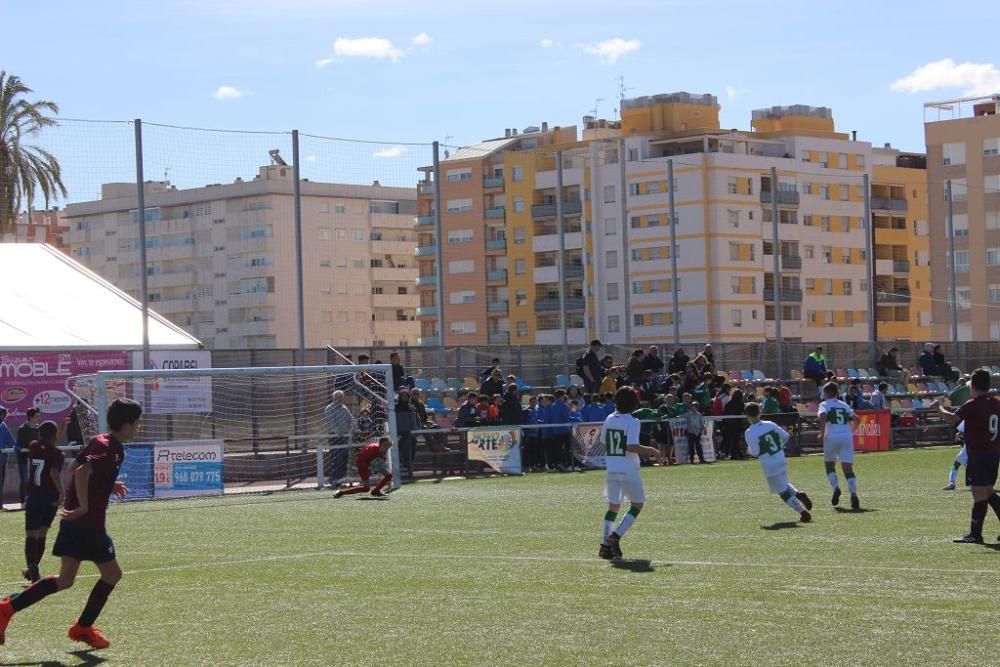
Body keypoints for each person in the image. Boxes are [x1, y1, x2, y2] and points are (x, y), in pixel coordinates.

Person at [0, 398, 141, 650]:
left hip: (75, 523)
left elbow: (76, 464)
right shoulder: (113, 448)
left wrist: (109, 485)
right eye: (137, 423)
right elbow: (82, 471)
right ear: (128, 425)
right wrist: (85, 506)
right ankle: (83, 628)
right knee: (112, 574)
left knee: (65, 580)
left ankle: (6, 609)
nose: (139, 428)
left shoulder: (100, 440)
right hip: (88, 524)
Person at [934, 368, 1000, 543]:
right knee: (987, 491)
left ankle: (975, 534)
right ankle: (976, 533)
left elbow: (951, 418)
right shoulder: (997, 402)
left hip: (978, 454)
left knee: (979, 494)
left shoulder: (973, 404)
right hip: (994, 454)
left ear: (974, 387)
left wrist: (938, 408)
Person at [598, 387, 662, 560]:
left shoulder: (609, 418)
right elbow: (631, 446)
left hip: (612, 467)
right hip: (628, 468)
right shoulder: (633, 421)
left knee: (613, 506)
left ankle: (604, 546)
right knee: (637, 504)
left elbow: (604, 441)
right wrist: (652, 450)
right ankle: (615, 536)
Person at [743, 403, 813, 522]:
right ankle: (798, 494)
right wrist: (778, 447)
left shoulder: (749, 432)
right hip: (780, 457)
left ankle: (803, 512)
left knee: (781, 491)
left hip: (768, 462)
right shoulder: (770, 424)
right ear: (760, 413)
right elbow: (786, 436)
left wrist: (748, 450)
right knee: (784, 483)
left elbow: (755, 452)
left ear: (747, 416)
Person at [818, 381, 861, 510]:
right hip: (846, 436)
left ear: (825, 393)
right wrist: (852, 430)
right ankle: (853, 494)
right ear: (837, 393)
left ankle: (836, 488)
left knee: (829, 465)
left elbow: (822, 415)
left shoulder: (824, 404)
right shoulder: (844, 405)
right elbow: (857, 419)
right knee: (848, 468)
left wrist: (822, 432)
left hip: (831, 436)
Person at [323, 390, 355, 486]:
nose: (339, 399)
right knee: (337, 458)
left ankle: (342, 479)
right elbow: (332, 423)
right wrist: (340, 432)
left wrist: (354, 429)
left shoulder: (344, 408)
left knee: (345, 459)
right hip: (335, 437)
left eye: (341, 397)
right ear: (333, 398)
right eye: (337, 397)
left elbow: (351, 419)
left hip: (346, 437)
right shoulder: (329, 408)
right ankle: (335, 480)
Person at [16, 408, 42, 505]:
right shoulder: (22, 429)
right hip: (23, 458)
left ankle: (34, 499)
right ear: (30, 417)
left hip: (34, 459)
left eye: (39, 416)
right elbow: (20, 444)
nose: (38, 418)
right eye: (36, 416)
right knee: (24, 479)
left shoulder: (38, 429)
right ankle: (23, 500)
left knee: (36, 479)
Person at [394, 390, 419, 480]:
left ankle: (409, 467)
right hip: (397, 435)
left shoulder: (411, 408)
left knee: (411, 443)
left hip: (410, 434)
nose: (404, 397)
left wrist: (415, 432)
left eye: (406, 396)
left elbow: (416, 422)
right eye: (402, 396)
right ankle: (405, 466)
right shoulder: (395, 408)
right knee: (403, 444)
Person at [0, 406, 18, 510]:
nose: (2, 416)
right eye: (0, 414)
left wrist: (19, 448)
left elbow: (11, 441)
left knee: (1, 481)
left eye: (3, 414)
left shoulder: (3, 426)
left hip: (2, 459)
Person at [944, 421, 967, 491]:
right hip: (984, 447)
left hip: (969, 447)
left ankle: (951, 483)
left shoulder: (970, 415)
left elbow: (962, 431)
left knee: (956, 464)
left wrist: (958, 434)